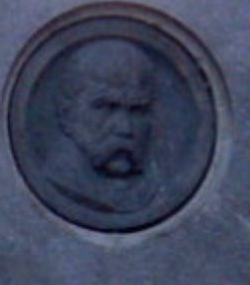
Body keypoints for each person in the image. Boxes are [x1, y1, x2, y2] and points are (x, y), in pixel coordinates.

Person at [37, 38, 160, 219]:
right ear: (66, 113)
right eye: (107, 107)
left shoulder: (156, 187)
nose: (125, 129)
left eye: (138, 110)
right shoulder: (55, 179)